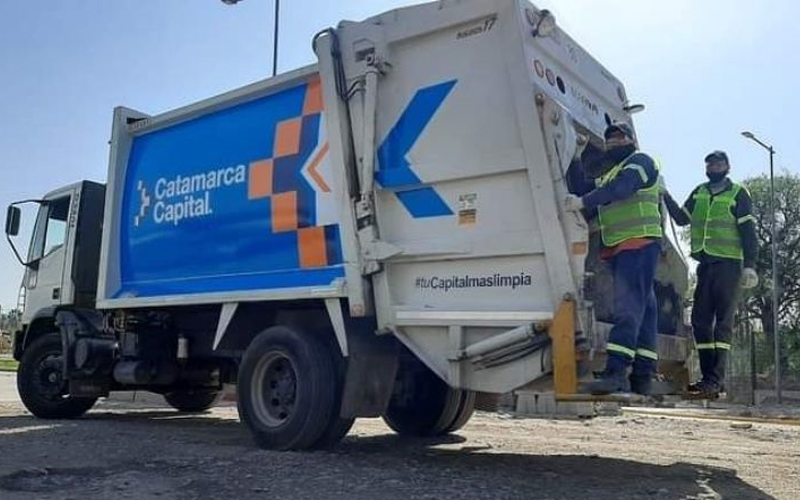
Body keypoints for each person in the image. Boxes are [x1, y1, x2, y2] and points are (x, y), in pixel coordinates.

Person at [565, 122, 663, 395]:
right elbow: (585, 188)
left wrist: (583, 203)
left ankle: (616, 372)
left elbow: (622, 188)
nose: (613, 142)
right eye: (609, 139)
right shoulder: (612, 173)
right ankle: (642, 375)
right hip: (626, 248)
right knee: (645, 312)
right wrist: (576, 157)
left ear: (631, 140)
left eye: (619, 137)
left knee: (627, 308)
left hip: (638, 244)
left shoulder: (641, 162)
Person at [663, 150, 759, 399]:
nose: (713, 167)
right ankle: (709, 379)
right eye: (710, 164)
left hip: (729, 266)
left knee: (723, 324)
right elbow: (681, 219)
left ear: (727, 166)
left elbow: (748, 232)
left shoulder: (737, 193)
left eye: (718, 163)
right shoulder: (700, 192)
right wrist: (664, 194)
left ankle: (716, 380)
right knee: (700, 322)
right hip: (705, 266)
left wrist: (750, 265)